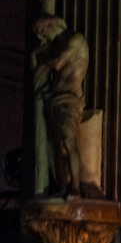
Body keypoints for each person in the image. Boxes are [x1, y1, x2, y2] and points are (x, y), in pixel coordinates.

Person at [31, 13, 89, 197]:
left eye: (42, 31)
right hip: (55, 98)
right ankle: (63, 186)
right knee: (56, 146)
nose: (41, 37)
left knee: (68, 140)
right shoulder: (57, 45)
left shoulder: (76, 39)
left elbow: (57, 65)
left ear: (51, 25)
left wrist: (40, 56)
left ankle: (76, 188)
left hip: (69, 98)